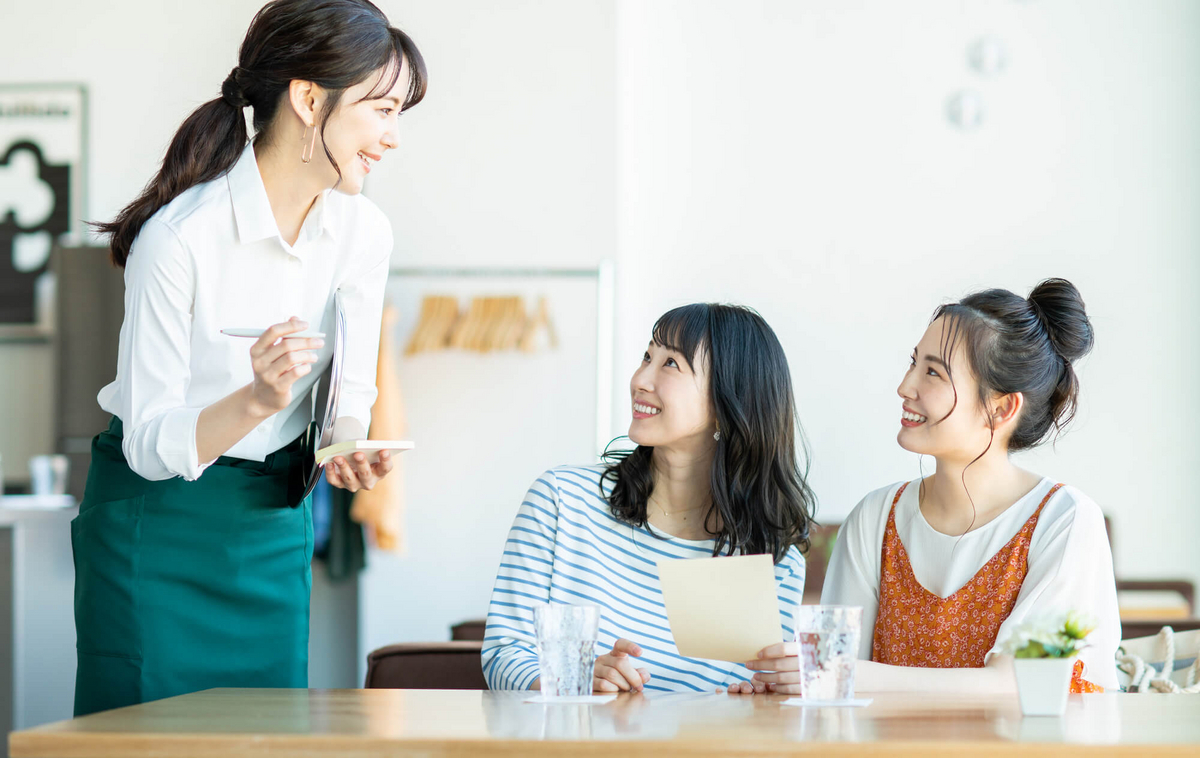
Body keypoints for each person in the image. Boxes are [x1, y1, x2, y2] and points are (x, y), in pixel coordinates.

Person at [72, 0, 426, 716]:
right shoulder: (180, 239)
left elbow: (349, 390)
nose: (391, 137)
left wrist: (346, 443)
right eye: (380, 110)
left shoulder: (364, 232)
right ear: (307, 98)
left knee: (265, 734)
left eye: (398, 116)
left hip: (270, 523)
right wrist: (257, 401)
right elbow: (146, 443)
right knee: (144, 739)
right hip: (157, 522)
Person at [743, 278, 1120, 694]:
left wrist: (846, 675)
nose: (905, 387)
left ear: (1001, 408)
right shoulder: (874, 517)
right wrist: (777, 683)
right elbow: (827, 683)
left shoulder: (1065, 521)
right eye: (913, 363)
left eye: (933, 373)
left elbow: (1019, 686)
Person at [482, 303, 816, 693]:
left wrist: (756, 700)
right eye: (647, 356)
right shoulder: (561, 500)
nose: (640, 379)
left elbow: (753, 694)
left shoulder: (774, 558)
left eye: (670, 364)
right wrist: (573, 680)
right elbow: (503, 654)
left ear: (729, 405)